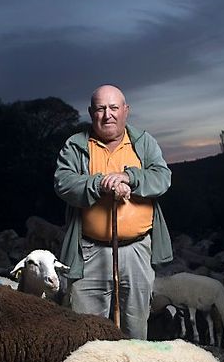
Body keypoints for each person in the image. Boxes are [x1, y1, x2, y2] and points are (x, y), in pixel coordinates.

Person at [54, 84, 172, 340]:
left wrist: (130, 178)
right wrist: (98, 184)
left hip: (137, 250)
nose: (107, 114)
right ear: (91, 113)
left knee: (135, 327)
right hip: (89, 251)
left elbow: (162, 178)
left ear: (126, 111)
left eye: (114, 107)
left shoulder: (143, 142)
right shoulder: (75, 146)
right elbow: (63, 182)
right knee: (86, 329)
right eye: (100, 108)